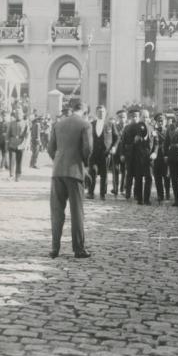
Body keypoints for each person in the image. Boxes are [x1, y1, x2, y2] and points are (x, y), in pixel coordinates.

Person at [47, 100, 92, 259]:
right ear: (85, 111)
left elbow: (50, 148)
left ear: (72, 110)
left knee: (57, 211)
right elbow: (87, 149)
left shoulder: (58, 124)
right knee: (77, 212)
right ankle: (78, 249)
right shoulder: (85, 124)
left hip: (57, 172)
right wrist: (84, 165)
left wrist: (59, 161)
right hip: (75, 172)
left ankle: (55, 248)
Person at [88, 104, 112, 200]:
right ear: (96, 113)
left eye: (102, 112)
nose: (101, 113)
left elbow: (117, 137)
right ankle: (90, 193)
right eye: (99, 112)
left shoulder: (109, 125)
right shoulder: (91, 124)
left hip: (104, 154)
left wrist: (113, 148)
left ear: (105, 113)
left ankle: (102, 194)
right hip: (93, 154)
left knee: (104, 174)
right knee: (92, 172)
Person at [7, 108, 29, 181]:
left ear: (22, 114)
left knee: (19, 161)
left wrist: (25, 144)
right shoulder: (11, 123)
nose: (18, 115)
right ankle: (11, 175)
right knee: (11, 160)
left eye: (19, 114)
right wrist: (7, 142)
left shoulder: (25, 123)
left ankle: (18, 175)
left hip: (21, 143)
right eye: (16, 114)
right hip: (12, 143)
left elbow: (27, 134)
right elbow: (8, 133)